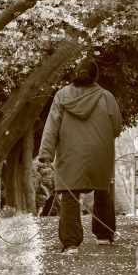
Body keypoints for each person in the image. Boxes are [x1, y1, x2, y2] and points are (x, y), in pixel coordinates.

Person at [37, 57, 122, 255]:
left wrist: (46, 153)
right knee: (102, 191)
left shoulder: (61, 96)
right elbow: (116, 127)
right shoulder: (106, 97)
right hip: (101, 152)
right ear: (95, 75)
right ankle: (104, 235)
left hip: (70, 151)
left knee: (69, 197)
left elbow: (52, 126)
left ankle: (71, 244)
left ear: (76, 73)